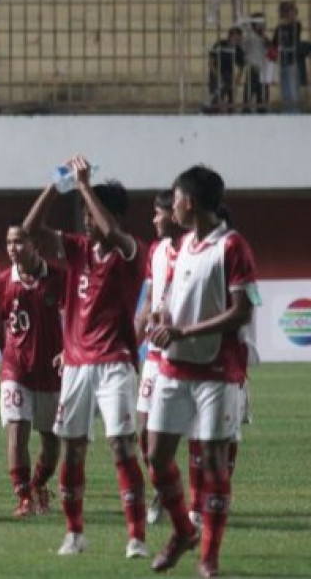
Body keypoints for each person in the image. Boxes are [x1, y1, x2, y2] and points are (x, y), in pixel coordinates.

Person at [21, 156, 148, 558]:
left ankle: (137, 538)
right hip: (76, 366)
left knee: (122, 448)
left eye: (91, 215)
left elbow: (109, 229)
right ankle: (74, 533)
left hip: (114, 363)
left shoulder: (131, 251)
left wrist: (85, 186)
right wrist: (55, 185)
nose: (87, 222)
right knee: (72, 449)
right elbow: (28, 231)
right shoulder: (76, 250)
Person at [146, 166, 258, 578]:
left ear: (189, 202)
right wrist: (161, 320)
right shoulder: (182, 246)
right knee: (156, 457)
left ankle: (208, 556)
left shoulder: (232, 246)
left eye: (174, 198)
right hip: (175, 365)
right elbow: (177, 302)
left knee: (212, 463)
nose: (170, 205)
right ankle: (182, 531)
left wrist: (184, 330)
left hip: (216, 370)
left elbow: (243, 310)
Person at [0, 224, 65, 518]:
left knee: (51, 440)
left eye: (19, 242)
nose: (12, 248)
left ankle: (38, 485)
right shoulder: (3, 281)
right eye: (9, 242)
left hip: (52, 371)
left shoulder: (59, 278)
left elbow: (72, 316)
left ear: (35, 244)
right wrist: (4, 357)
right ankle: (23, 497)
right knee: (17, 430)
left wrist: (67, 351)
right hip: (16, 369)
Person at [135, 190, 184, 526]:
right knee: (142, 431)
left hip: (185, 352)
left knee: (184, 436)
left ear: (175, 213)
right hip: (154, 354)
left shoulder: (198, 250)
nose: (154, 219)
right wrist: (130, 342)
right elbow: (150, 300)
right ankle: (161, 489)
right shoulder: (155, 250)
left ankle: (173, 497)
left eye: (158, 213)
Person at [206, 27, 245, 112]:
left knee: (231, 98)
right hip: (216, 74)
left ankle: (230, 116)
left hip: (229, 75)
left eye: (239, 39)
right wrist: (217, 75)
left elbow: (241, 67)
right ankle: (214, 114)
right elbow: (211, 63)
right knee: (216, 98)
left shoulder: (238, 49)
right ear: (230, 36)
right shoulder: (219, 45)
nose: (238, 41)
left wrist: (237, 80)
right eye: (236, 38)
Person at [275, 0, 303, 112]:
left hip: (292, 61)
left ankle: (294, 113)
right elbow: (275, 43)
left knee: (293, 90)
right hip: (282, 61)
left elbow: (294, 38)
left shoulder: (296, 25)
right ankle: (287, 112)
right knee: (285, 89)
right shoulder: (279, 28)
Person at [239, 13, 270, 110]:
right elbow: (242, 47)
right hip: (253, 68)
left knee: (263, 96)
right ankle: (246, 112)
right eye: (260, 23)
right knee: (249, 94)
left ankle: (262, 112)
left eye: (263, 24)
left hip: (264, 70)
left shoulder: (264, 38)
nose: (263, 26)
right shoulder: (249, 36)